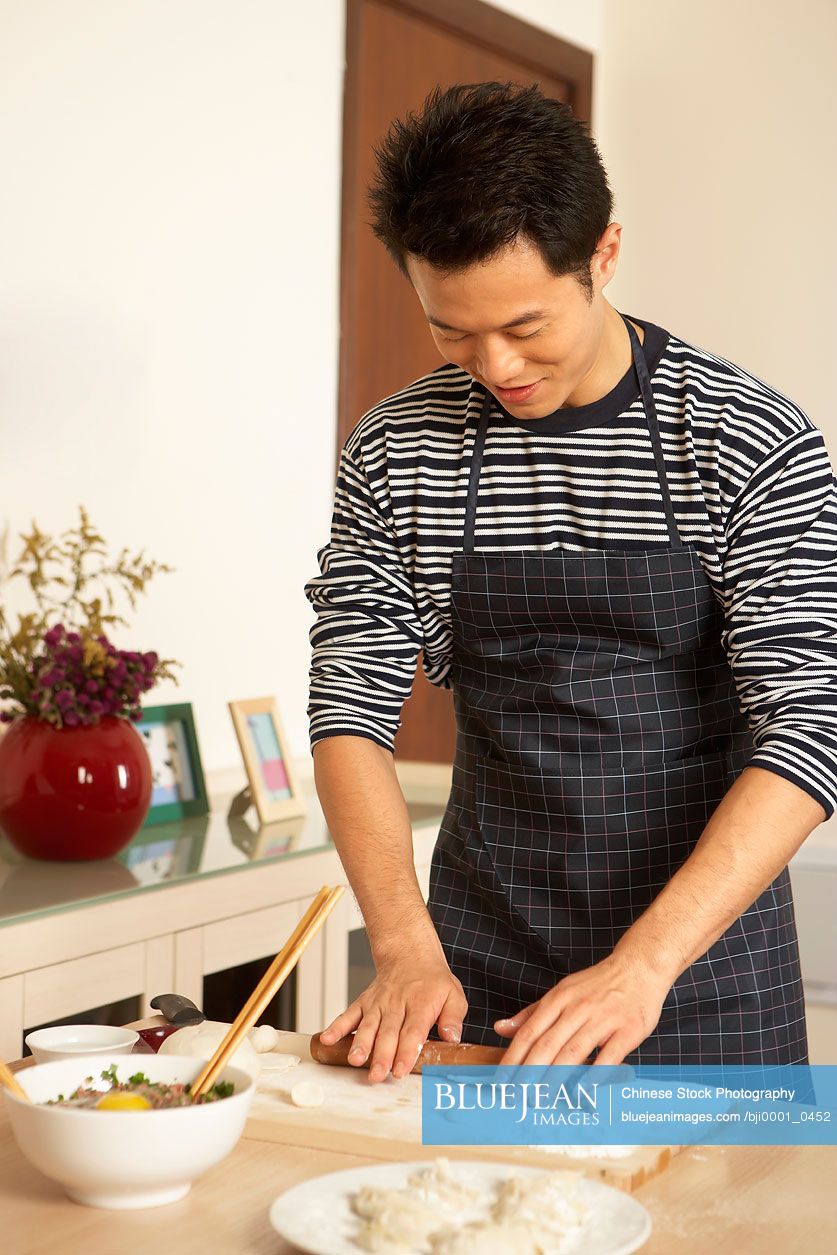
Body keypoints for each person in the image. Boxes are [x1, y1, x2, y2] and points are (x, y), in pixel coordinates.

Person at [305, 82, 836, 1081]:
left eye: (524, 325)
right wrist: (406, 947)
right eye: (450, 331)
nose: (494, 366)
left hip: (701, 967)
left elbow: (813, 723)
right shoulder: (394, 451)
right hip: (477, 960)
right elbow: (349, 709)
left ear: (605, 254)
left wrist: (641, 966)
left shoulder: (743, 436)